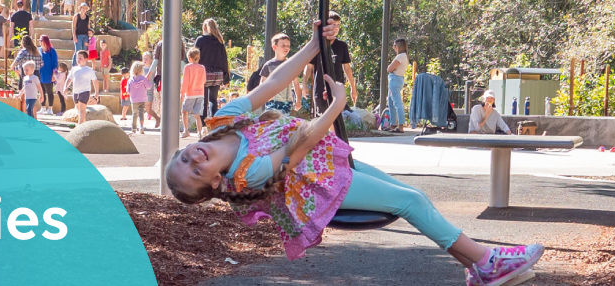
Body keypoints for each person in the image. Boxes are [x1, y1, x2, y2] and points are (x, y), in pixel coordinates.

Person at [164, 20, 544, 286]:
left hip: (329, 164)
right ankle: (487, 261)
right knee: (410, 201)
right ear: (216, 181)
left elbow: (277, 79)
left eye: (184, 158)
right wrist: (337, 105)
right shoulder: (249, 173)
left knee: (418, 198)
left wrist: (315, 46)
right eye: (196, 171)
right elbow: (302, 142)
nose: (193, 159)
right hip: (319, 187)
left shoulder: (223, 121)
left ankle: (476, 268)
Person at [304, 11, 357, 112]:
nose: (336, 27)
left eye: (338, 25)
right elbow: (309, 66)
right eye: (333, 25)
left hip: (337, 89)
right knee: (322, 118)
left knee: (341, 117)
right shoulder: (317, 45)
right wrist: (304, 85)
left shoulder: (342, 45)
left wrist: (353, 89)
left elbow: (347, 68)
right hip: (320, 89)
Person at [259, 33, 304, 115]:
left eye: (288, 45)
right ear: (274, 47)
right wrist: (265, 96)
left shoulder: (291, 64)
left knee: (284, 124)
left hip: (286, 102)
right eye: (283, 45)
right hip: (271, 101)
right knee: (271, 123)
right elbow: (262, 83)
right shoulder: (269, 65)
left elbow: (296, 83)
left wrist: (298, 100)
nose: (286, 48)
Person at [194, 18, 230, 121]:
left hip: (204, 73)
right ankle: (214, 121)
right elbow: (224, 60)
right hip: (217, 74)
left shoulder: (200, 40)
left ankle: (203, 124)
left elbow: (195, 56)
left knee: (203, 100)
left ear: (204, 27)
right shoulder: (220, 41)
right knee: (213, 99)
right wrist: (226, 77)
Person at [62, 50, 98, 125]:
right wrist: (65, 87)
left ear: (86, 59)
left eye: (80, 58)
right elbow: (69, 79)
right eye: (77, 58)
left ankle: (79, 126)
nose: (78, 60)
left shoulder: (89, 70)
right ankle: (83, 124)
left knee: (82, 109)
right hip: (75, 92)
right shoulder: (74, 69)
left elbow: (95, 81)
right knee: (78, 109)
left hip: (85, 91)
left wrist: (96, 92)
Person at [180, 48, 207, 138]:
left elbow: (185, 82)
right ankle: (199, 132)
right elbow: (204, 81)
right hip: (200, 93)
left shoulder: (188, 67)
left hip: (190, 93)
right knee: (197, 114)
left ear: (189, 57)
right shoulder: (202, 67)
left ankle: (186, 130)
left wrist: (182, 93)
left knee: (184, 111)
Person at [385, 38, 410, 133]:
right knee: (391, 103)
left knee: (397, 103)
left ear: (398, 46)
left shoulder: (401, 56)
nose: (393, 47)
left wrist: (391, 69)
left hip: (395, 79)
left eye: (394, 45)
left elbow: (389, 68)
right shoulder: (403, 56)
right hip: (395, 79)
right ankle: (393, 125)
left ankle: (401, 125)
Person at [38, 35, 61, 115]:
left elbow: (55, 64)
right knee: (41, 92)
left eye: (41, 40)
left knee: (49, 92)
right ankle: (43, 107)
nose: (40, 42)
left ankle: (50, 108)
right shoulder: (39, 50)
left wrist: (53, 75)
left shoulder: (52, 51)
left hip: (49, 74)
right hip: (40, 74)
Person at [127, 61, 152, 134]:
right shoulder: (143, 79)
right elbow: (149, 87)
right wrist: (148, 81)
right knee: (141, 113)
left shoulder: (130, 80)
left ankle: (133, 128)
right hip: (142, 99)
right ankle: (141, 127)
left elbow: (128, 90)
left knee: (134, 114)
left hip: (134, 100)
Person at [143, 50, 161, 128]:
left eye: (147, 58)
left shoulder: (153, 69)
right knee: (139, 108)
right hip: (141, 91)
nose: (145, 60)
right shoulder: (141, 68)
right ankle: (141, 125)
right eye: (144, 58)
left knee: (148, 109)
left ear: (151, 60)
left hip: (149, 91)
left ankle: (157, 118)